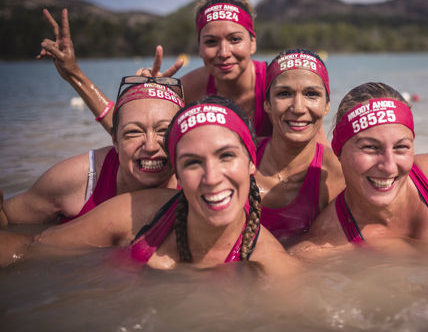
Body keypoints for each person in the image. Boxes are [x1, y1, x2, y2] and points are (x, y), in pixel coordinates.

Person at [1, 97, 296, 273]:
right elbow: (31, 249)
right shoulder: (136, 212)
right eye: (192, 162)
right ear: (177, 174)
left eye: (226, 156)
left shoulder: (270, 263)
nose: (212, 177)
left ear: (251, 163)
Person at [291, 82, 428, 255]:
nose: (388, 167)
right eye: (370, 147)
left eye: (401, 147)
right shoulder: (326, 241)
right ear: (339, 151)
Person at [39, 0, 272, 137]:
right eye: (211, 41)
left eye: (235, 39)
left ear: (252, 44)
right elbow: (126, 137)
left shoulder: (276, 82)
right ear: (199, 47)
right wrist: (73, 73)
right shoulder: (190, 89)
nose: (223, 52)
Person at [1, 78, 183, 225]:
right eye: (133, 132)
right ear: (115, 142)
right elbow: (8, 218)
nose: (150, 146)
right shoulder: (81, 179)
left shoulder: (199, 182)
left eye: (164, 131)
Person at [254, 49, 345, 246]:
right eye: (284, 94)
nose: (298, 108)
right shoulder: (241, 156)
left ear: (327, 105)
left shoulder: (336, 175)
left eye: (311, 94)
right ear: (267, 103)